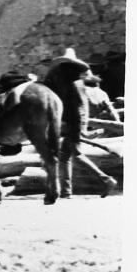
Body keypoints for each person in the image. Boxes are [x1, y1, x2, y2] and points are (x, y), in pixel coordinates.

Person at [43, 47, 93, 199]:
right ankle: (66, 191)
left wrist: (75, 127)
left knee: (74, 155)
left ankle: (105, 179)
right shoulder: (75, 82)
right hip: (73, 123)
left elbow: (78, 108)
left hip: (74, 124)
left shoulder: (73, 84)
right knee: (66, 157)